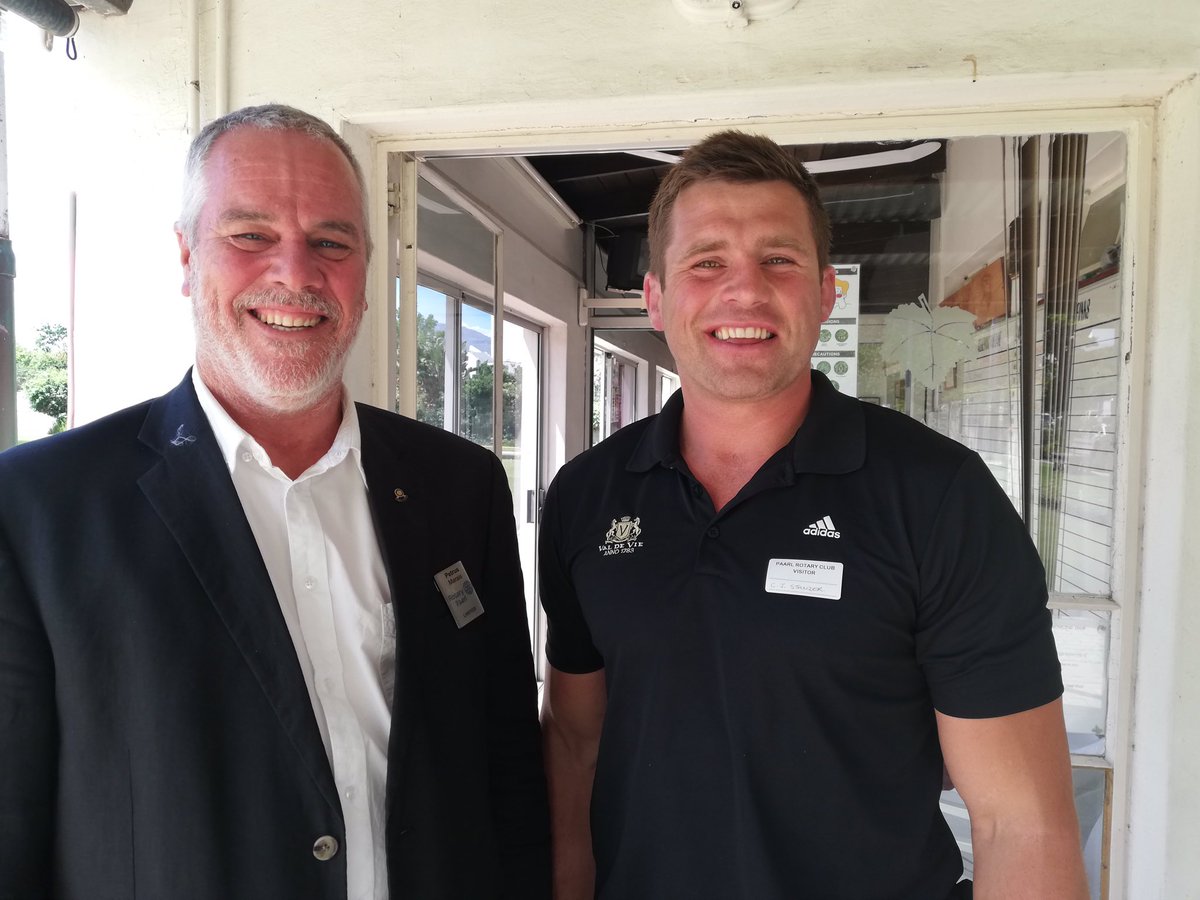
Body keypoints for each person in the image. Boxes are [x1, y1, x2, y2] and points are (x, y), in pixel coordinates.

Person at [0, 104, 549, 900]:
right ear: (187, 257)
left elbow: (506, 764)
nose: (295, 274)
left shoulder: (460, 485)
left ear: (366, 271)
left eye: (331, 242)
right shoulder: (39, 510)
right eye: (250, 236)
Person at [538, 130, 1088, 900]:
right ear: (655, 297)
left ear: (827, 293)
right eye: (706, 263)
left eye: (779, 260)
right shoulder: (587, 497)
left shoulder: (937, 497)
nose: (745, 291)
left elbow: (1020, 824)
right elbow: (575, 742)